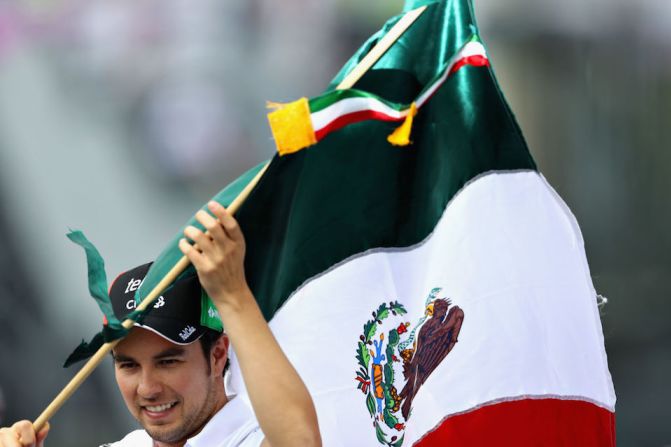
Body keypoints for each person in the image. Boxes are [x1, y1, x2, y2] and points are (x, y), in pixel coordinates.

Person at [0, 201, 321, 447]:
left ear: (219, 353)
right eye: (128, 365)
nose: (147, 388)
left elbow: (298, 442)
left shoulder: (249, 438)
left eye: (167, 361)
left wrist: (233, 295)